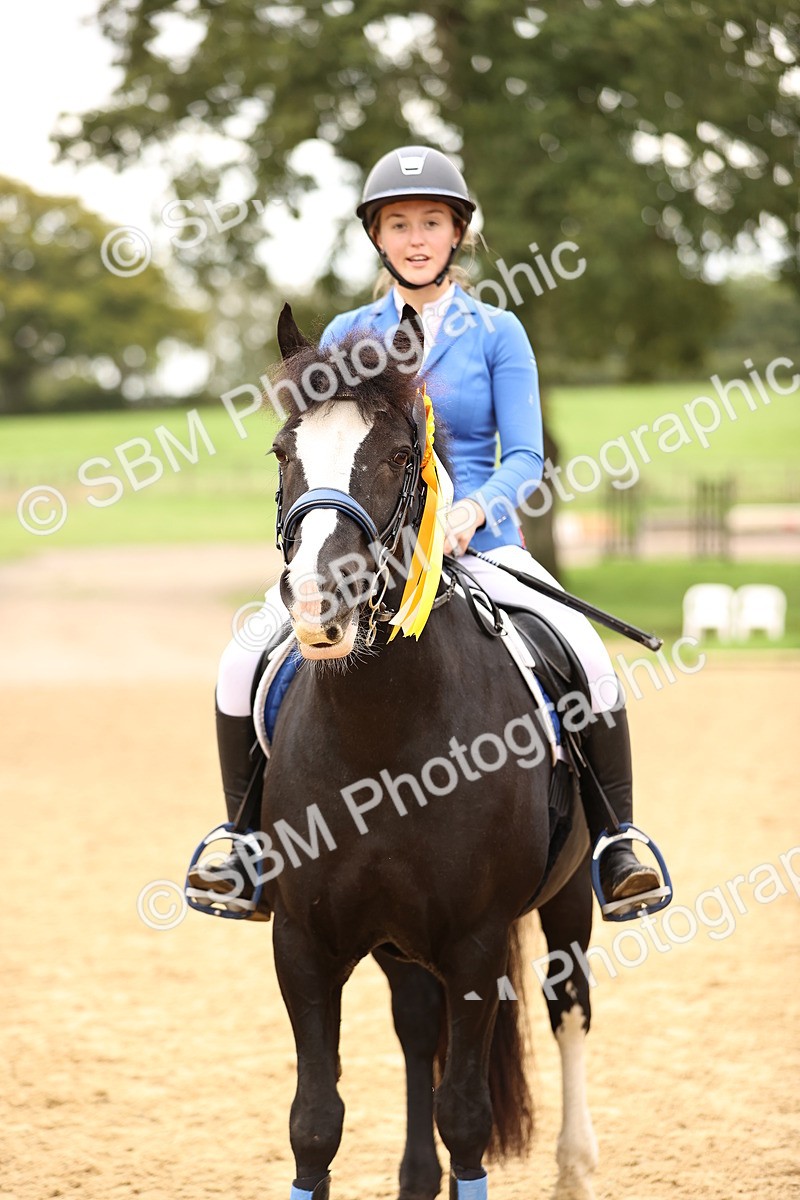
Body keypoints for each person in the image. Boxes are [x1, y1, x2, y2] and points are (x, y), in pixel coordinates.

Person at [189, 145, 664, 919]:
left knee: (584, 651)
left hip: (481, 539)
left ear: (458, 233)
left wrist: (472, 511)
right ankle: (243, 843)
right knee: (241, 657)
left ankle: (616, 846)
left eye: (432, 223)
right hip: (371, 547)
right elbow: (327, 448)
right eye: (399, 223)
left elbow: (525, 454)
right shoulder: (348, 328)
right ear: (378, 236)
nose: (416, 238)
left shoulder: (497, 331)